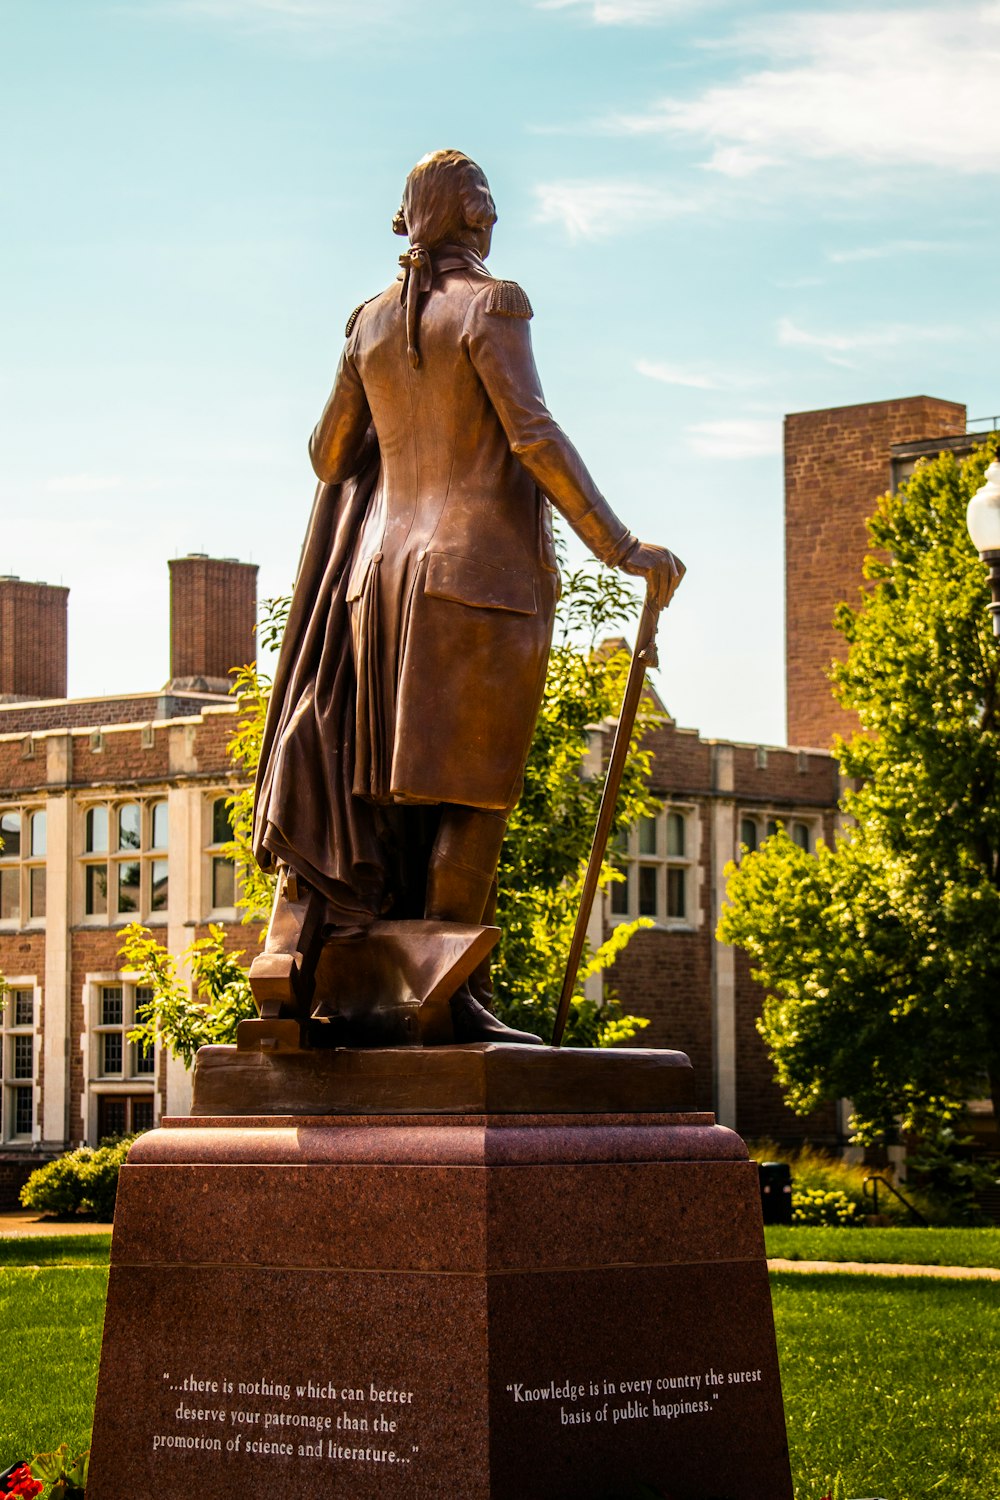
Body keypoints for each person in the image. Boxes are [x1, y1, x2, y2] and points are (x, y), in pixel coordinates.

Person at [250, 149, 683, 1046]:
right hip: (480, 581)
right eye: (482, 205)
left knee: (390, 795)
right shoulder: (495, 304)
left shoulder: (366, 323)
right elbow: (533, 432)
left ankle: (374, 980)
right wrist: (622, 547)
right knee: (470, 797)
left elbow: (330, 456)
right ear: (462, 218)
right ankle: (442, 995)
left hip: (376, 583)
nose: (491, 221)